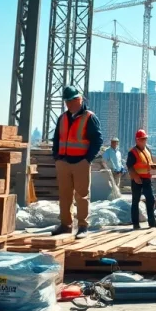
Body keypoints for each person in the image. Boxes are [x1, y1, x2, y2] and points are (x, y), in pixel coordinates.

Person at [51, 86, 103, 238]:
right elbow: (56, 138)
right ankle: (65, 225)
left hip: (80, 162)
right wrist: (56, 156)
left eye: (71, 100)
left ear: (79, 99)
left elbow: (97, 140)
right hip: (64, 161)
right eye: (67, 101)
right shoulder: (62, 118)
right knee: (64, 195)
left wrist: (87, 159)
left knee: (82, 195)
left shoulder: (89, 117)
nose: (69, 104)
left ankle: (82, 226)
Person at [126, 128, 156, 229]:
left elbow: (148, 163)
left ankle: (152, 222)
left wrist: (155, 167)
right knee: (135, 201)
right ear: (137, 140)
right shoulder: (132, 152)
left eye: (145, 139)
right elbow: (130, 166)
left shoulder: (148, 150)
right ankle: (136, 224)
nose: (144, 141)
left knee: (151, 199)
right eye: (142, 139)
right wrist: (135, 177)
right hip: (137, 180)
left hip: (147, 179)